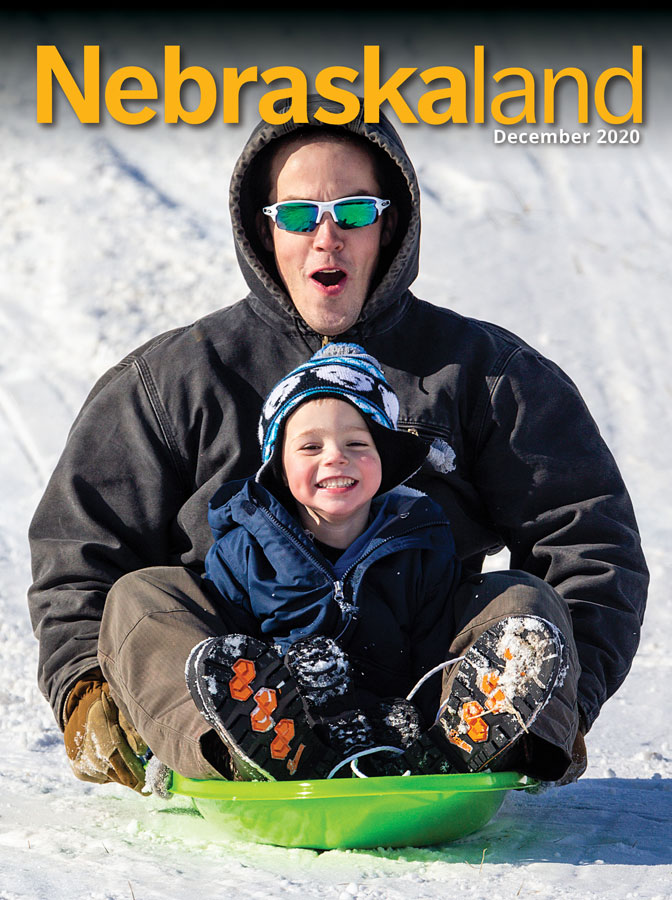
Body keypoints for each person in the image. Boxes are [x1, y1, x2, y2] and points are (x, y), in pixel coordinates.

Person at [28, 96, 649, 793]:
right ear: (265, 234)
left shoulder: (484, 373)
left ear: (391, 226)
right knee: (143, 599)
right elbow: (80, 553)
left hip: (427, 684)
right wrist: (88, 694)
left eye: (354, 212)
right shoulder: (173, 381)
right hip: (252, 684)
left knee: (521, 602)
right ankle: (242, 747)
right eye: (298, 215)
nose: (328, 237)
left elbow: (587, 540)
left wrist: (566, 697)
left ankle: (481, 741)